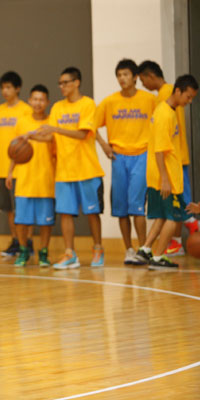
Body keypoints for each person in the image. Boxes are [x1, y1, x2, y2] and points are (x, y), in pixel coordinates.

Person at [36, 67, 105, 269]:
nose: (61, 86)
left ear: (77, 82)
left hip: (87, 168)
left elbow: (82, 134)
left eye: (65, 82)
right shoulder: (57, 107)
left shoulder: (88, 104)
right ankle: (70, 253)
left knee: (93, 213)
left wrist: (56, 129)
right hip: (64, 170)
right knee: (65, 213)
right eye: (60, 83)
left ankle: (98, 249)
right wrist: (29, 137)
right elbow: (50, 135)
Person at [134, 74, 198, 269]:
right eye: (188, 97)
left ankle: (145, 249)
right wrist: (165, 179)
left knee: (162, 214)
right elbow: (160, 150)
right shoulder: (164, 114)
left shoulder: (166, 110)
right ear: (177, 91)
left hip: (159, 175)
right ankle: (158, 256)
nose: (189, 101)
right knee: (174, 216)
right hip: (166, 176)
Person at [94, 59, 155, 264]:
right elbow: (91, 125)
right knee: (121, 207)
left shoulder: (149, 100)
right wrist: (104, 145)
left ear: (135, 77)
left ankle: (144, 248)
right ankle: (129, 249)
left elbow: (161, 124)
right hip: (118, 156)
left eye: (126, 74)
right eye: (119, 75)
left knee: (136, 205)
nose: (122, 78)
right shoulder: (110, 101)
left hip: (142, 155)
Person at [6, 85, 55, 267]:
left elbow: (51, 139)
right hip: (25, 178)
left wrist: (32, 136)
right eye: (35, 99)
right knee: (22, 221)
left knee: (45, 222)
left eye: (41, 99)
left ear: (47, 102)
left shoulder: (51, 122)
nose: (38, 103)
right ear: (29, 101)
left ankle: (43, 252)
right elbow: (15, 149)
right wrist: (10, 172)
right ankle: (24, 250)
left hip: (45, 177)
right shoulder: (22, 121)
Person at [0, 71, 33, 257]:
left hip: (20, 168)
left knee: (22, 208)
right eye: (2, 88)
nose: (5, 91)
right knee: (8, 209)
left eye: (8, 87)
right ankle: (15, 240)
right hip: (1, 167)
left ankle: (27, 242)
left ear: (17, 88)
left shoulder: (26, 110)